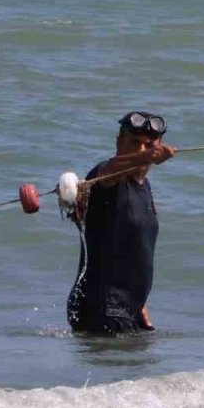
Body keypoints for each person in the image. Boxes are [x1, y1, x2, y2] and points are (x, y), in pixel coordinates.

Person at [67, 111, 176, 335]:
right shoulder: (104, 178)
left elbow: (134, 250)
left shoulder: (144, 187)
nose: (141, 150)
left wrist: (140, 304)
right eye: (134, 143)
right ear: (119, 142)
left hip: (126, 310)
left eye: (148, 145)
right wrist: (146, 157)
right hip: (103, 309)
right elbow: (112, 170)